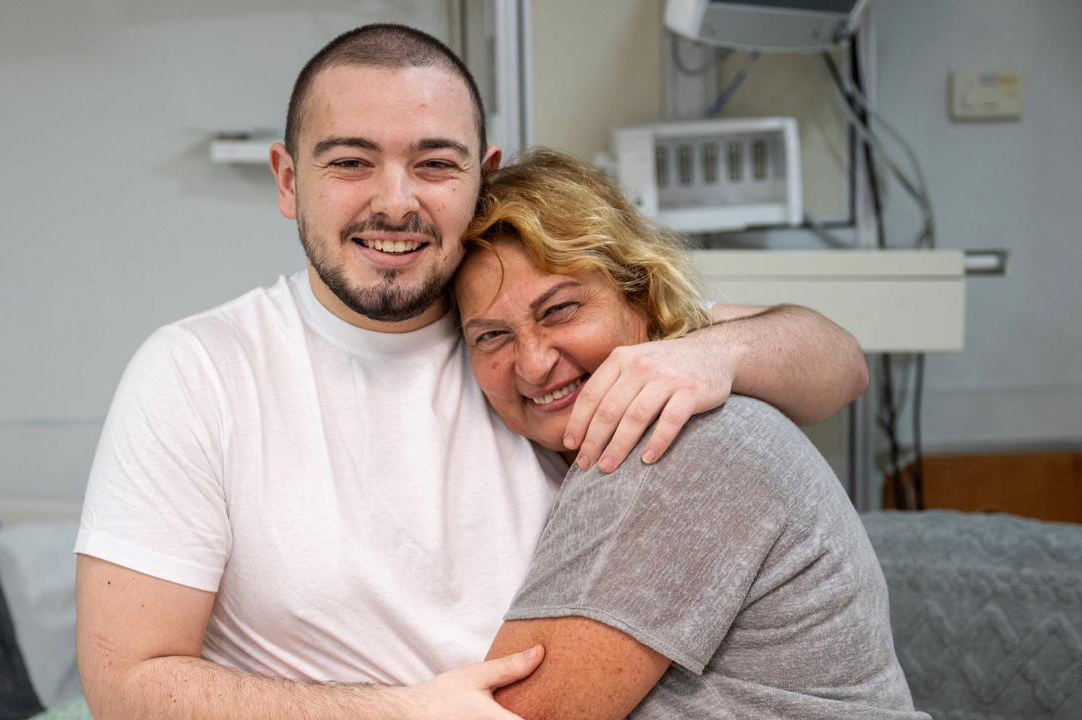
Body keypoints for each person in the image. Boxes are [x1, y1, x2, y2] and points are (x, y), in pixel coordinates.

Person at [74, 23, 869, 720]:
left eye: (434, 163)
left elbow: (836, 362)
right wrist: (398, 715)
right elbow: (127, 687)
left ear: (480, 174)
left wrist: (714, 352)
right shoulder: (199, 372)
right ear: (289, 180)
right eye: (351, 161)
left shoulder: (551, 340)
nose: (395, 202)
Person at [454, 148, 924, 719]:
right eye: (492, 336)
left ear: (641, 295)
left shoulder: (665, 442)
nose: (532, 363)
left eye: (560, 311)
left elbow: (517, 718)